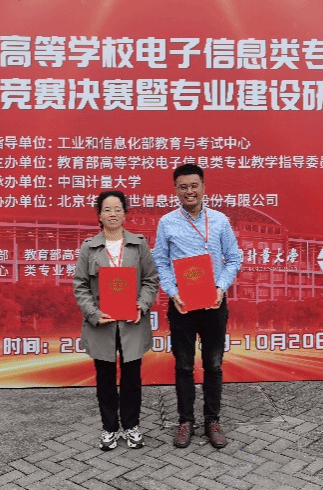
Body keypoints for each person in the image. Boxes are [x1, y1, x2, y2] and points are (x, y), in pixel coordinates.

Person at [153, 164, 241, 449]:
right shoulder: (167, 222)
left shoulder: (220, 221)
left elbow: (234, 258)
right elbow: (160, 262)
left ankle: (212, 421)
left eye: (194, 185)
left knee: (213, 365)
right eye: (183, 187)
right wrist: (173, 292)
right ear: (175, 190)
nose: (189, 191)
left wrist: (220, 287)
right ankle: (186, 421)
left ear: (203, 187)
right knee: (183, 366)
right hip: (182, 306)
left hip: (214, 303)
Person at [73, 191, 159, 451]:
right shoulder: (89, 247)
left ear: (125, 213)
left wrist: (142, 305)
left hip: (132, 324)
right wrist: (93, 313)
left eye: (118, 209)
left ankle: (131, 426)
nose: (113, 214)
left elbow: (150, 280)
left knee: (132, 379)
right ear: (99, 215)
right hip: (102, 325)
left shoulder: (138, 245)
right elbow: (80, 285)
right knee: (106, 380)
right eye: (107, 209)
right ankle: (109, 428)